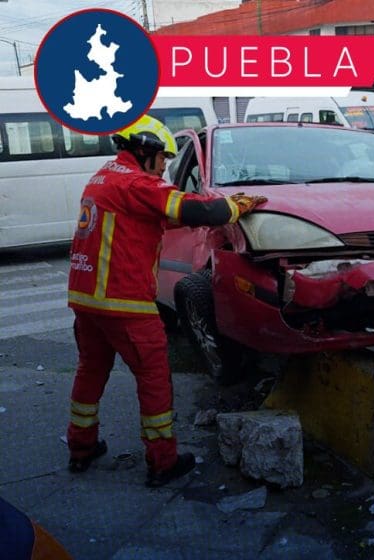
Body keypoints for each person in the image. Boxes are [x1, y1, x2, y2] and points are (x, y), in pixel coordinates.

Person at [65, 115, 266, 487]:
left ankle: (81, 447)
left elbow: (146, 219)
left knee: (90, 371)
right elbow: (199, 210)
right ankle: (163, 461)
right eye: (163, 160)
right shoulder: (137, 182)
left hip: (86, 301)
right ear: (145, 151)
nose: (164, 169)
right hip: (123, 303)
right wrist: (236, 206)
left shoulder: (104, 179)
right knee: (154, 377)